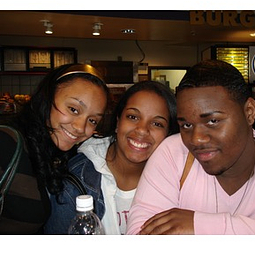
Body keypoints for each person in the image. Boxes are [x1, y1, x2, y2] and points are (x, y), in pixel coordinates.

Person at [126, 59, 255, 235]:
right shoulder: (173, 153)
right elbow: (141, 237)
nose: (197, 139)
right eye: (186, 125)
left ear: (249, 112)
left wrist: (197, 225)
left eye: (213, 121)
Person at [44, 80, 179, 235]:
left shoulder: (178, 182)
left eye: (157, 124)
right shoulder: (74, 183)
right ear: (117, 122)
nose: (142, 130)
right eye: (133, 117)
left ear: (168, 135)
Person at [0, 63, 108, 234]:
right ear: (48, 97)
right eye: (73, 109)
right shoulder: (6, 144)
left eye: (93, 120)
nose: (81, 127)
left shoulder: (54, 155)